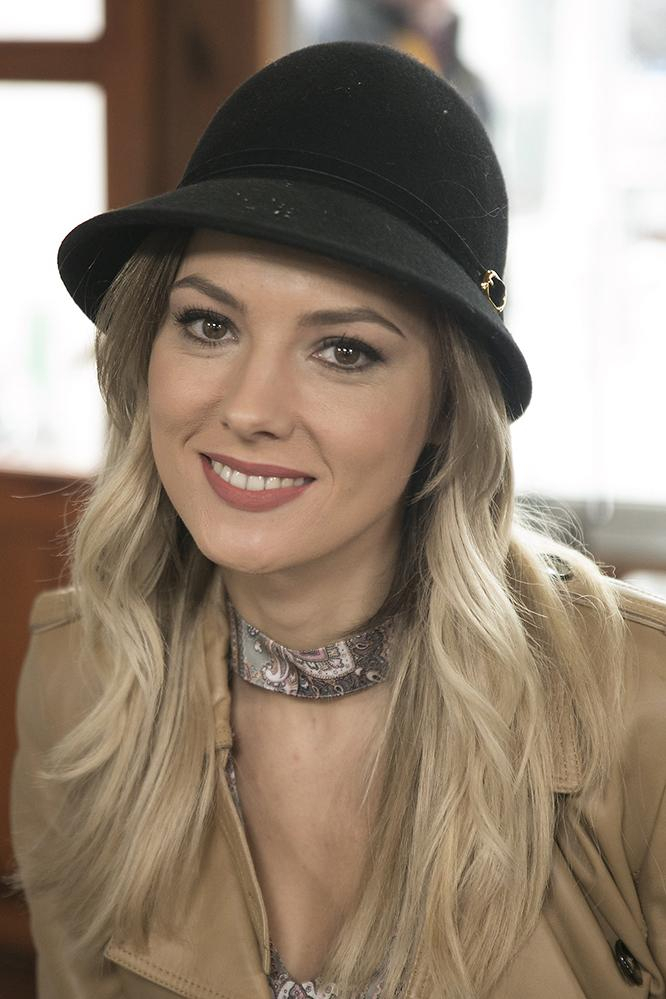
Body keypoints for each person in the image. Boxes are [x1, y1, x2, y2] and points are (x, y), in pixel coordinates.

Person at [8, 41, 666, 999]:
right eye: (209, 324)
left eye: (345, 350)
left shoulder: (643, 711)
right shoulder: (81, 680)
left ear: (447, 407)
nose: (249, 407)